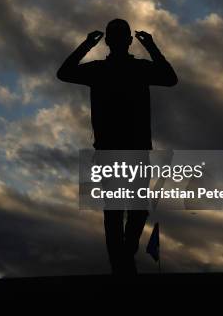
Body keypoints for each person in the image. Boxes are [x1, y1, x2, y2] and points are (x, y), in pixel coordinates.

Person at [57, 18, 177, 275]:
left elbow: (170, 79)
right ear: (123, 40)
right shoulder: (113, 69)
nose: (120, 40)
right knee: (123, 211)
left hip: (123, 149)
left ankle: (122, 258)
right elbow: (63, 73)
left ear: (112, 40)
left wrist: (86, 45)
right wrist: (152, 47)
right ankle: (122, 261)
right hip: (121, 148)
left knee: (125, 211)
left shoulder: (110, 69)